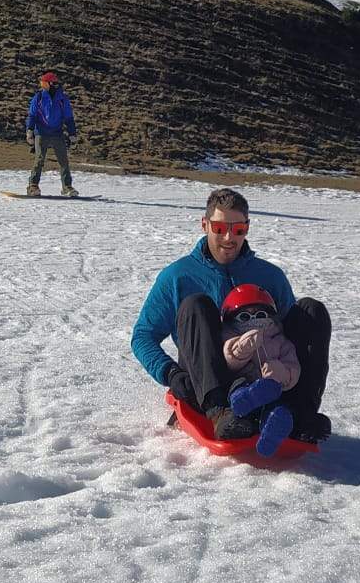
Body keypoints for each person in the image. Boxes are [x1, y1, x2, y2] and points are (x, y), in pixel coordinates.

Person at [132, 187, 332, 446]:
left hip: (263, 379)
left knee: (310, 310)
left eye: (238, 230)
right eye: (219, 228)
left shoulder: (269, 276)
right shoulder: (178, 276)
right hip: (206, 381)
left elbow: (288, 334)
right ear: (205, 225)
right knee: (196, 304)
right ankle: (220, 413)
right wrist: (170, 373)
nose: (228, 237)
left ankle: (298, 413)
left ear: (247, 228)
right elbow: (142, 336)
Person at [220, 284, 301, 453]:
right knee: (238, 383)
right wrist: (241, 348)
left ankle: (273, 428)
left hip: (272, 386)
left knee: (276, 404)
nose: (254, 319)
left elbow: (293, 366)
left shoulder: (279, 340)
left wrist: (282, 373)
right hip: (243, 380)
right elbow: (228, 360)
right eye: (244, 316)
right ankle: (243, 399)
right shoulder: (230, 334)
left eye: (260, 315)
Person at [24, 71, 77, 197]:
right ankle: (33, 186)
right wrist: (30, 130)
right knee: (39, 159)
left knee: (63, 160)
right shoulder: (39, 97)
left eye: (44, 83)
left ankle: (67, 187)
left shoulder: (62, 99)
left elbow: (68, 117)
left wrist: (72, 134)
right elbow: (32, 115)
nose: (42, 85)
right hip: (41, 132)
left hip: (57, 133)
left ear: (51, 84)